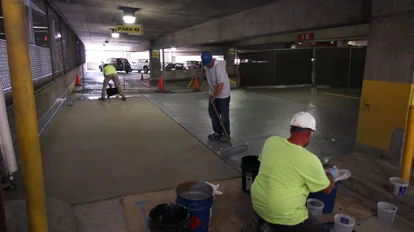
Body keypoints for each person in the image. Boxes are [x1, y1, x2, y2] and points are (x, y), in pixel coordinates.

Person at [242, 112, 338, 232]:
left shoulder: (271, 142)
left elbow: (276, 165)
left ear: (291, 129)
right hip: (283, 213)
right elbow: (328, 189)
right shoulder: (310, 160)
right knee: (317, 228)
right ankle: (274, 226)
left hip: (258, 202)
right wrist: (330, 174)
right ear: (309, 133)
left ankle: (265, 224)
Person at [201, 51, 231, 143]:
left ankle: (226, 134)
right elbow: (207, 74)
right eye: (206, 64)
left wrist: (214, 96)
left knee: (223, 116)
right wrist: (204, 75)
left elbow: (220, 84)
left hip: (223, 95)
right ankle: (218, 132)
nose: (208, 66)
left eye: (209, 64)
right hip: (213, 93)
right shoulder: (206, 65)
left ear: (212, 60)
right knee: (213, 115)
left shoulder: (218, 67)